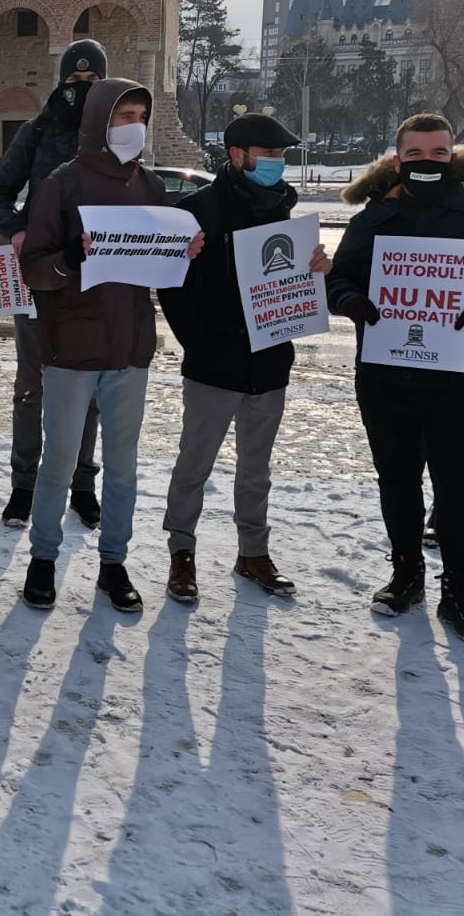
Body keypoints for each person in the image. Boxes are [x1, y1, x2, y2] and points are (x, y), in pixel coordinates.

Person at [327, 114, 464, 647]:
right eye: (416, 153)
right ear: (396, 159)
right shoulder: (374, 219)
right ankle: (406, 573)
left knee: (456, 490)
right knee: (397, 482)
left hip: (457, 380)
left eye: (438, 152)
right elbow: (337, 275)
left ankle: (459, 592)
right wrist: (349, 300)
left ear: (453, 157)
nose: (427, 162)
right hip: (385, 378)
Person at [18, 78, 202, 611]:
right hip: (71, 350)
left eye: (141, 115)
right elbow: (34, 268)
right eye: (124, 116)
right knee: (58, 464)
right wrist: (70, 261)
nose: (135, 127)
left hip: (130, 350)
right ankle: (44, 559)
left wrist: (181, 254)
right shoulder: (62, 184)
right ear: (100, 121)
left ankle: (113, 563)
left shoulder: (150, 187)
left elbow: (155, 269)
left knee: (123, 468)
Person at [156, 111, 331, 602]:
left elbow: (294, 284)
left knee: (257, 470)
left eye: (281, 156)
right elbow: (172, 290)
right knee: (195, 464)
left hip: (269, 365)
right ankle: (182, 553)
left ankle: (253, 552)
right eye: (269, 154)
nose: (277, 163)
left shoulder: (282, 211)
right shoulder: (198, 211)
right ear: (238, 155)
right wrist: (201, 344)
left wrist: (320, 269)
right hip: (213, 367)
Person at [0, 40, 109, 531]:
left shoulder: (117, 133)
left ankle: (83, 483)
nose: (80, 90)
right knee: (32, 384)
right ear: (60, 82)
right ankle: (24, 485)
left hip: (96, 280)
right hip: (37, 276)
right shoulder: (37, 131)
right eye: (74, 81)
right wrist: (17, 229)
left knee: (91, 389)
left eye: (91, 83)